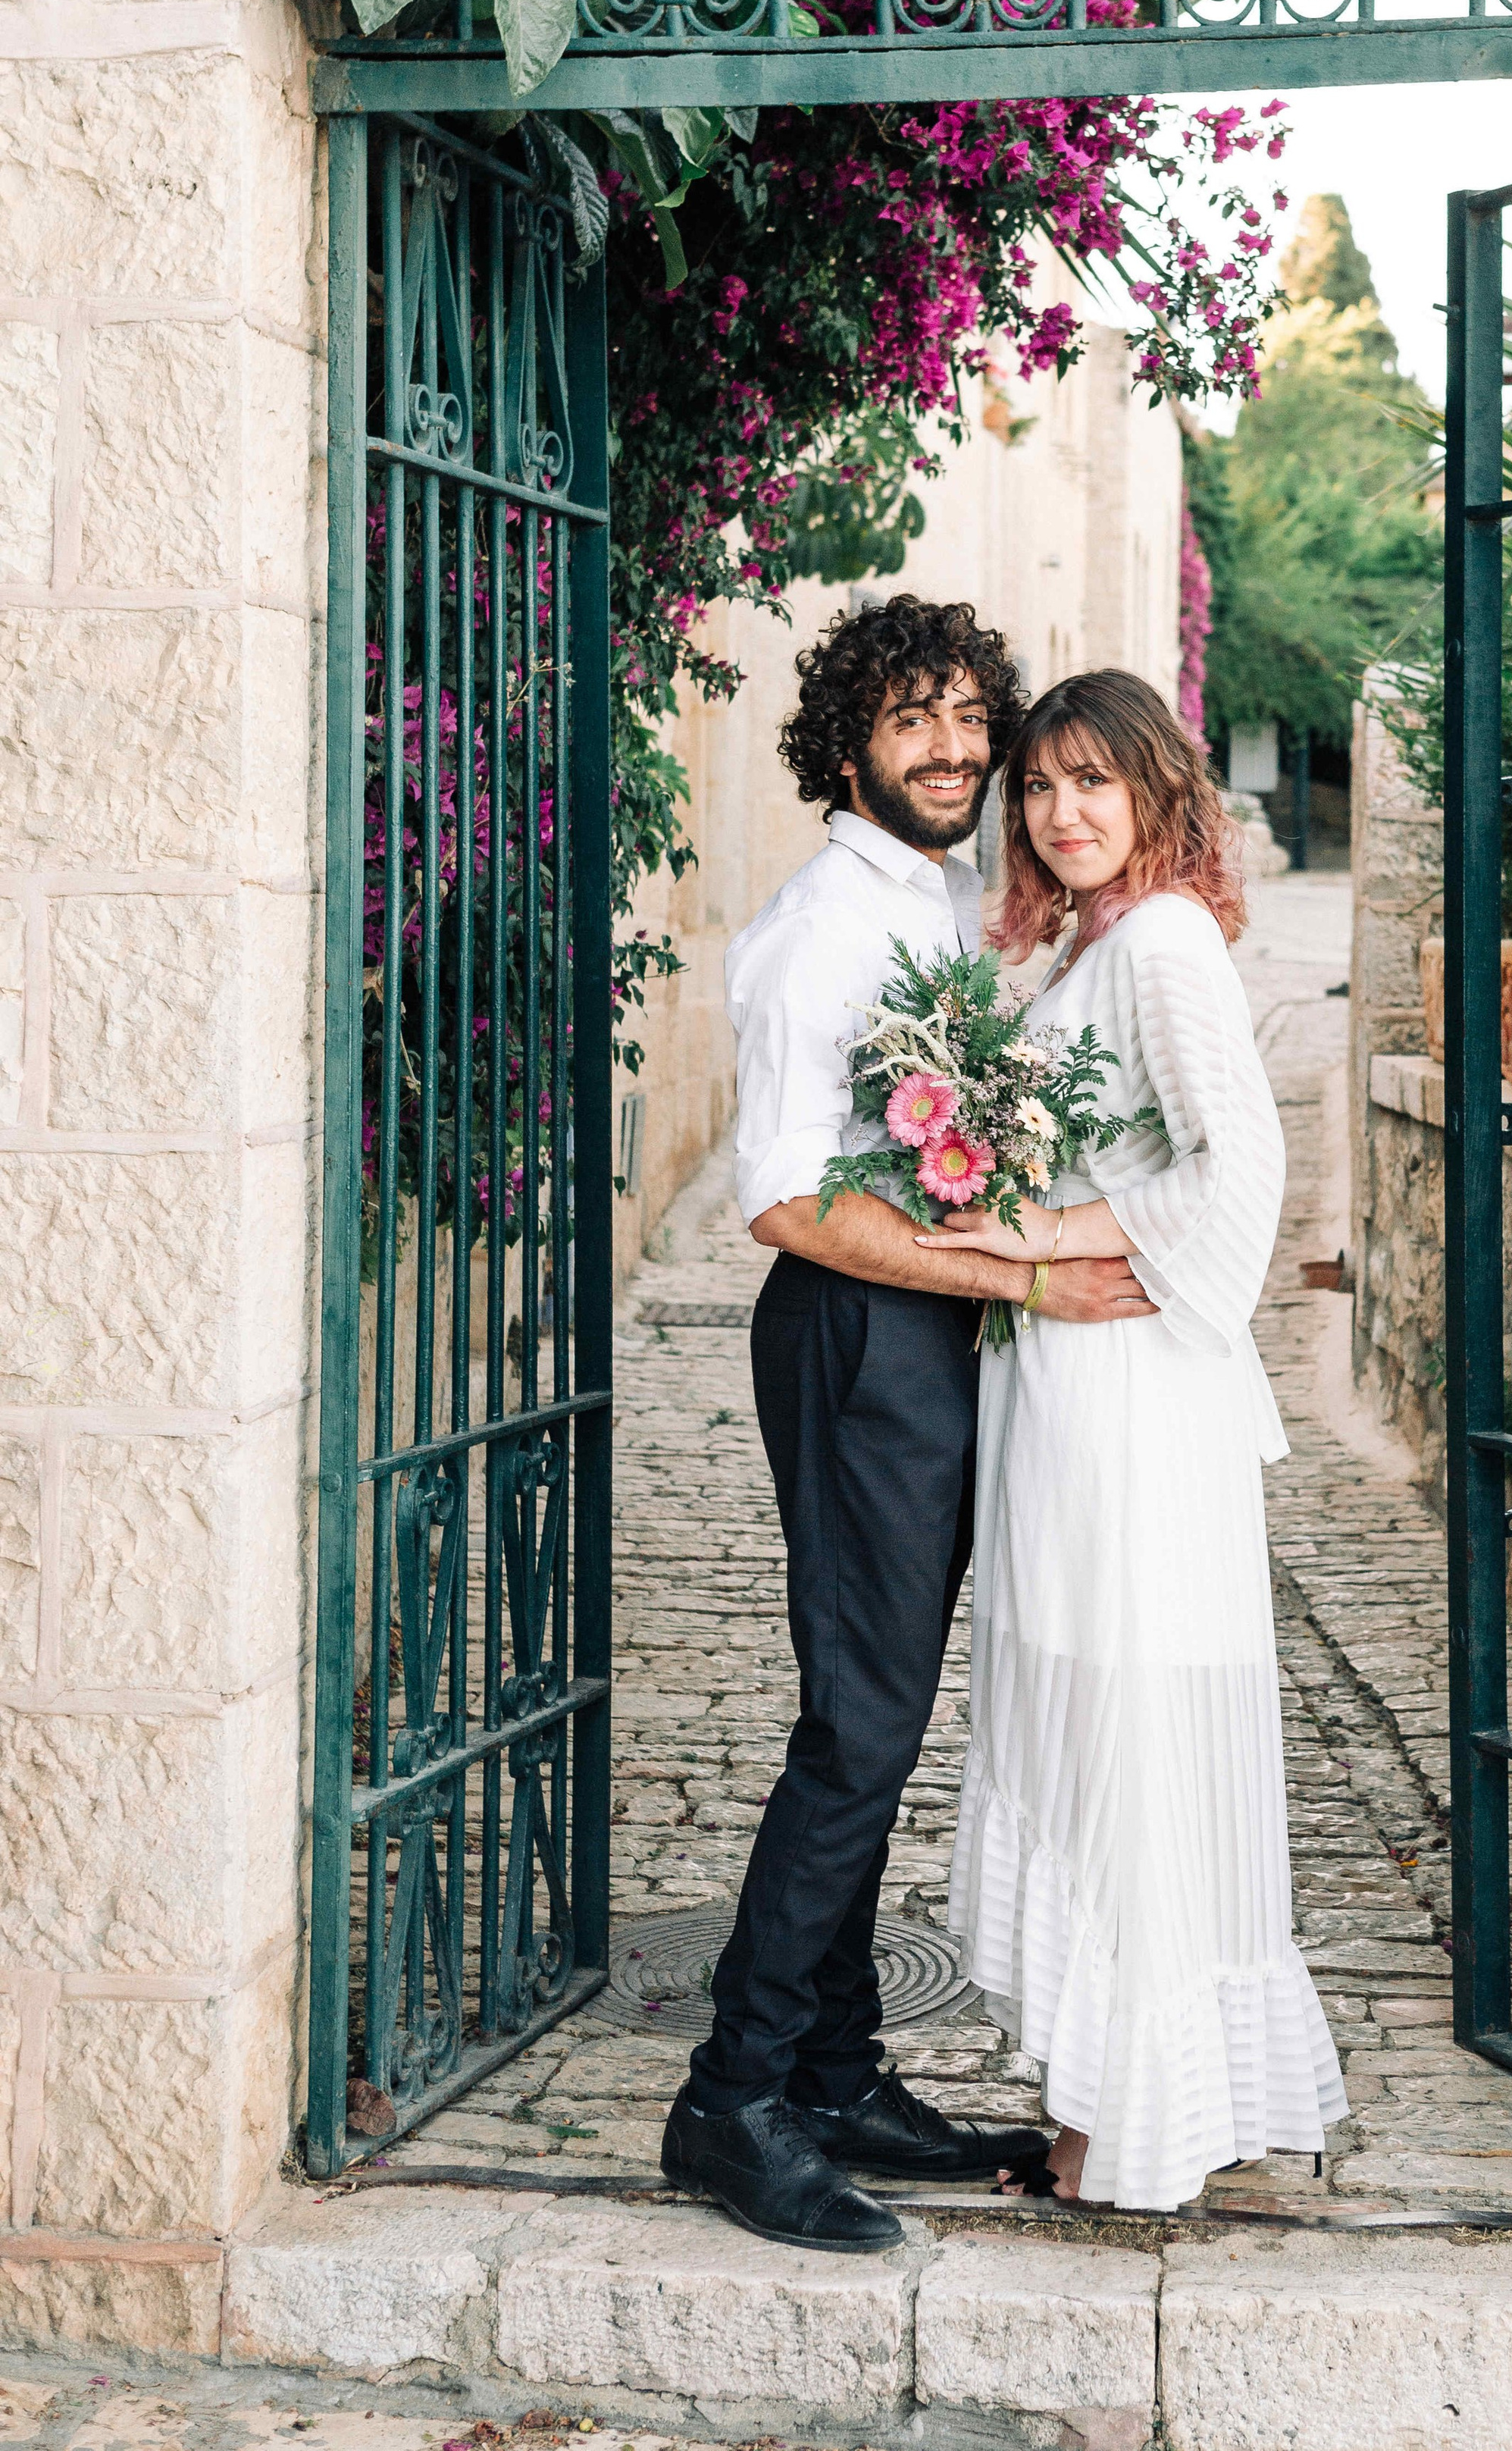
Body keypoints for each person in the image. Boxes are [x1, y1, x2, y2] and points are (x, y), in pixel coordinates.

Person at [661, 599, 1163, 2254]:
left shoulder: (947, 896)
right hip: (854, 1338)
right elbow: (786, 1203)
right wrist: (1008, 1266)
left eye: (967, 717)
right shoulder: (823, 929)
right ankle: (732, 2105)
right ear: (846, 747)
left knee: (878, 1716)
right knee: (857, 1731)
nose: (951, 747)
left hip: (931, 1336)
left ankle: (833, 2067)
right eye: (909, 721)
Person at [913, 668, 1349, 2210]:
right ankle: (1111, 2101)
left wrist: (1052, 1222)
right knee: (1083, 1715)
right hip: (1058, 1379)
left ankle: (1135, 2121)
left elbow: (1242, 1171)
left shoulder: (1161, 942)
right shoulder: (1077, 944)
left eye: (1094, 782)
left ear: (1157, 792)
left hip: (1131, 1386)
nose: (1061, 811)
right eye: (1038, 788)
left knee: (1132, 1731)